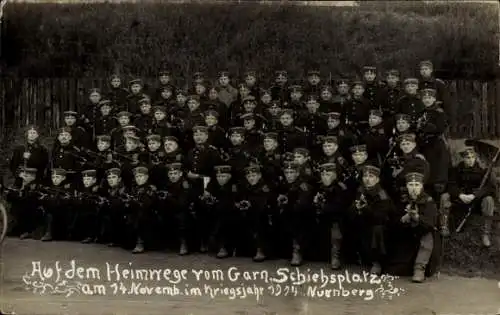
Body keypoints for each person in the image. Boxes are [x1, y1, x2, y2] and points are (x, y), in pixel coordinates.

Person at [442, 146, 496, 246]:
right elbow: (451, 185)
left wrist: (475, 195)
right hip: (460, 200)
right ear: (463, 158)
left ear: (475, 157)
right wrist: (460, 195)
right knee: (445, 197)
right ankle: (444, 226)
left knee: (489, 200)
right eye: (467, 157)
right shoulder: (457, 169)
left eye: (472, 157)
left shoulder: (482, 170)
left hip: (476, 201)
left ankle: (486, 233)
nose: (470, 160)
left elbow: (489, 188)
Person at [313, 163, 349, 269]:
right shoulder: (320, 186)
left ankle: (335, 257)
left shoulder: (340, 187)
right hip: (322, 217)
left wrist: (322, 206)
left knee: (335, 232)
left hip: (337, 219)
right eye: (323, 175)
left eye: (328, 174)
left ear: (334, 175)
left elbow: (339, 207)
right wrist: (315, 203)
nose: (325, 177)